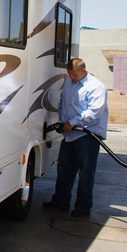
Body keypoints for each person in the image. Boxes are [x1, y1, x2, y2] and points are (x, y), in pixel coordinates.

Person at [44, 57, 108, 218]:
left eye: (74, 74)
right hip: (70, 134)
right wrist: (63, 121)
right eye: (69, 74)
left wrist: (72, 122)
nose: (72, 78)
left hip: (87, 135)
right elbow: (63, 103)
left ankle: (83, 207)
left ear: (84, 71)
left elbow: (94, 112)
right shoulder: (68, 84)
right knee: (64, 170)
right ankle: (60, 201)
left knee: (86, 173)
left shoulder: (96, 87)